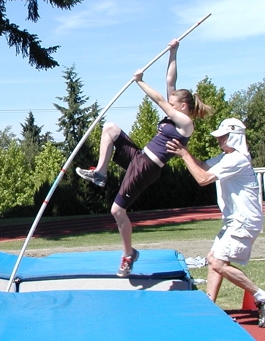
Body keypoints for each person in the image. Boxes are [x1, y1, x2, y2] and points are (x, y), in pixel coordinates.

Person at [76, 39, 213, 277]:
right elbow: (170, 80)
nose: (168, 104)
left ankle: (128, 255)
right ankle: (100, 173)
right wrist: (173, 52)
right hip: (140, 157)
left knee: (117, 211)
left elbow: (159, 100)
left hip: (148, 167)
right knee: (110, 128)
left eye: (173, 103)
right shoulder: (176, 113)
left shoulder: (185, 123)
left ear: (182, 106)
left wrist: (140, 82)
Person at [166, 118, 265, 328]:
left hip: (243, 220)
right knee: (213, 260)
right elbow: (202, 165)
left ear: (235, 137)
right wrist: (184, 151)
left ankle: (263, 296)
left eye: (223, 137)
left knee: (218, 262)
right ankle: (209, 307)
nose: (219, 140)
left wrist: (184, 154)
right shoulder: (227, 157)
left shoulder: (236, 159)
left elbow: (202, 178)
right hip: (236, 220)